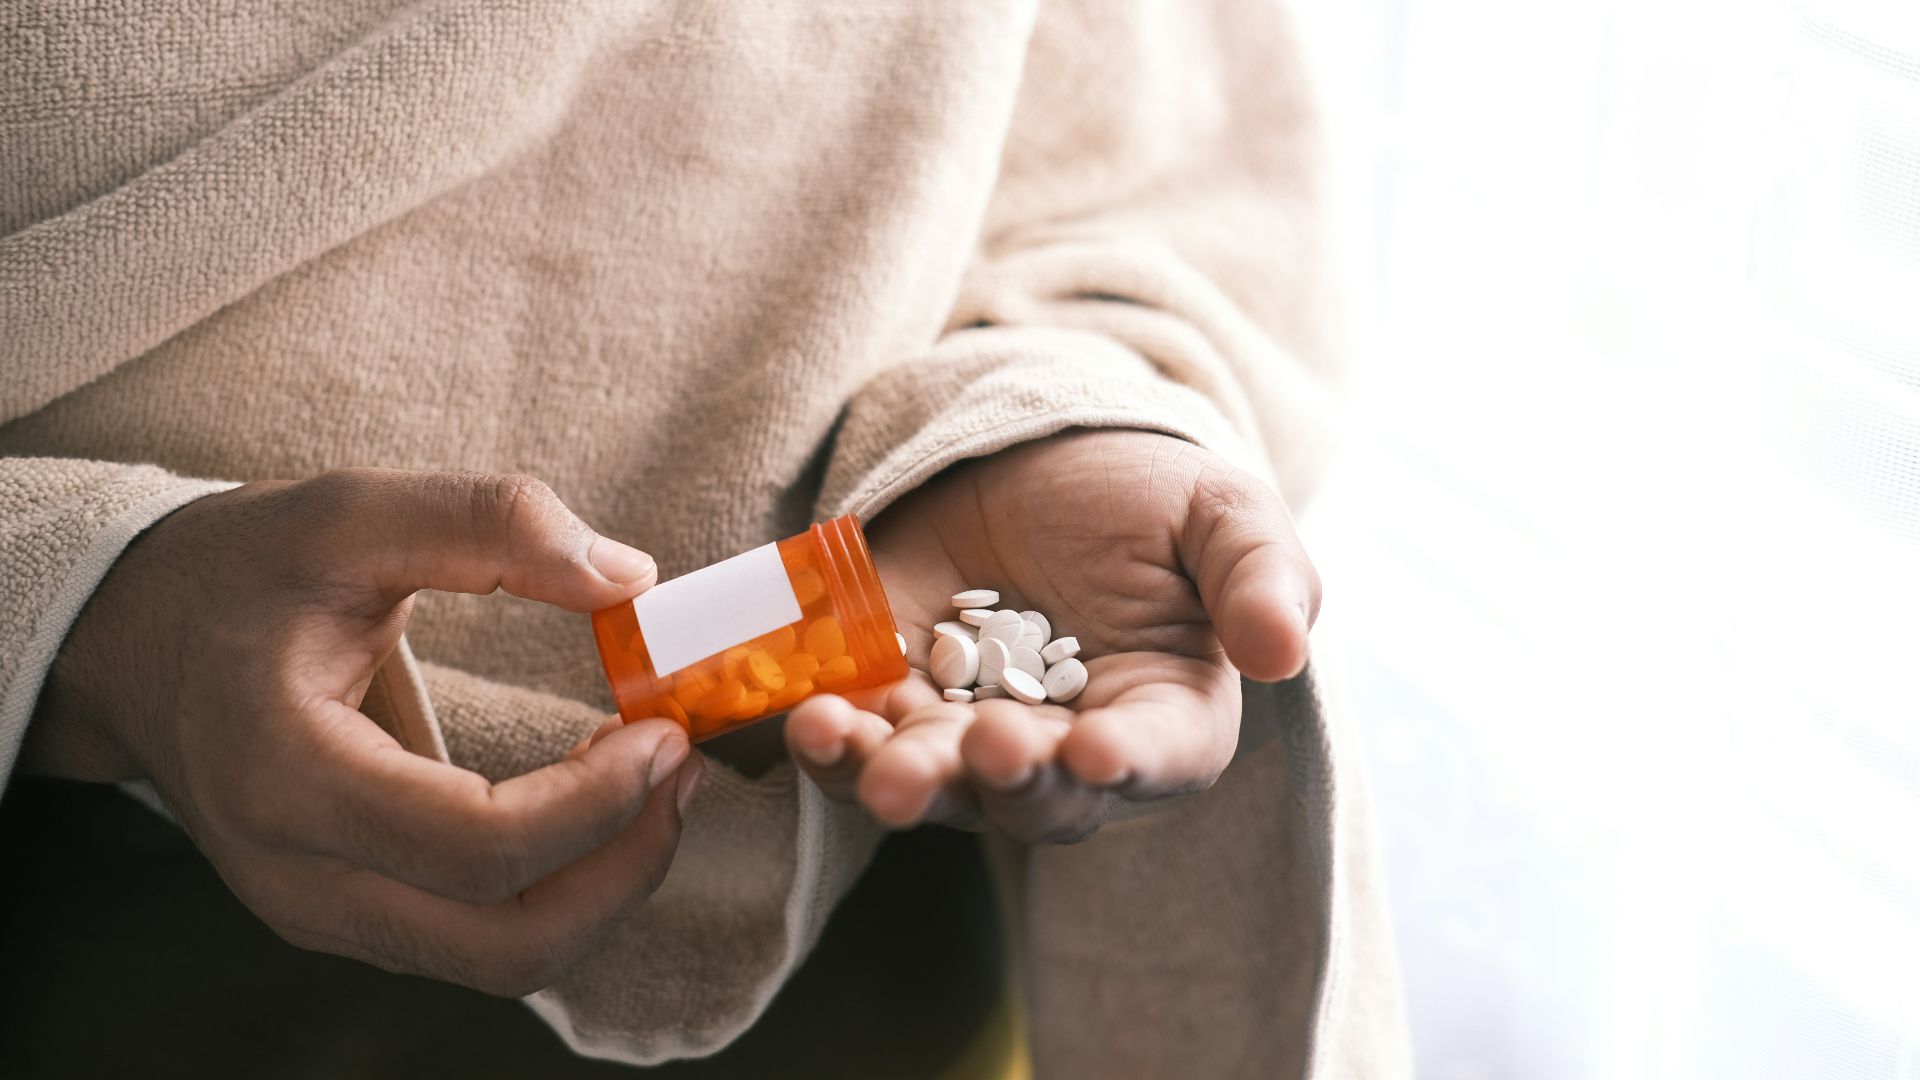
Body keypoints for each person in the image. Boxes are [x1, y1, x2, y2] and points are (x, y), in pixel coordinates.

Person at [0, 0, 1409, 1076]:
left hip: (864, 902)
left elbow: (1165, 188)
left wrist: (1052, 420)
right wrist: (90, 610)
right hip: (99, 929)